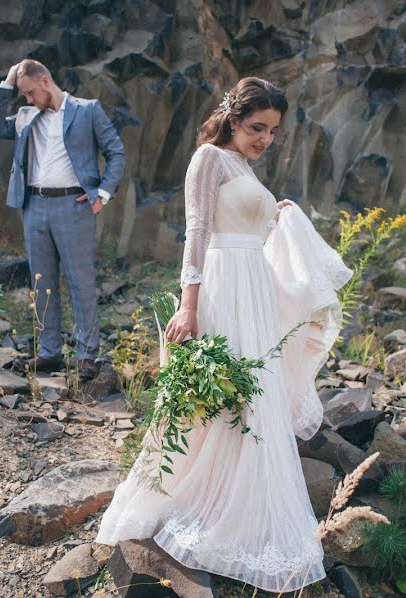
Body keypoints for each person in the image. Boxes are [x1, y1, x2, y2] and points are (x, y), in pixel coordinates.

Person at [96, 77, 352, 592]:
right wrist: (188, 308)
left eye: (274, 131)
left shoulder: (244, 166)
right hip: (220, 288)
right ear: (234, 120)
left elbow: (246, 228)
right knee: (225, 393)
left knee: (253, 391)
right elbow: (198, 233)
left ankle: (243, 497)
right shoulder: (208, 160)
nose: (265, 139)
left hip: (252, 289)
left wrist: (274, 216)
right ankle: (198, 501)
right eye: (258, 127)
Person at [0, 59, 127, 381]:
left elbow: (116, 153)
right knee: (42, 282)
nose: (28, 100)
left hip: (74, 205)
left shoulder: (87, 110)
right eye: (23, 95)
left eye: (30, 92)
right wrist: (8, 82)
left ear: (46, 81)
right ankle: (49, 352)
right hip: (34, 205)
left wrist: (102, 194)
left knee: (81, 282)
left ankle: (87, 354)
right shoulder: (25, 116)